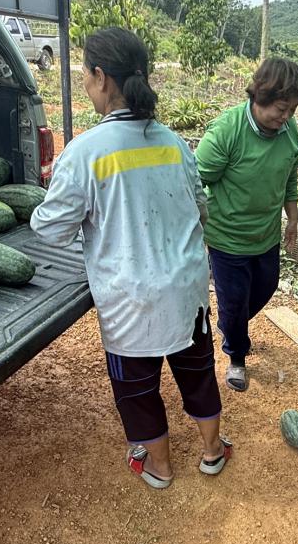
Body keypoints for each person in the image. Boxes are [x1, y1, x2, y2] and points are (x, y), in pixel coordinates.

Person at [30, 27, 228, 489]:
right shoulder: (173, 142)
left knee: (137, 388)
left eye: (84, 73)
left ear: (100, 76)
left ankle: (158, 467)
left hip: (130, 297)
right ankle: (212, 451)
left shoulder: (84, 153)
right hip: (186, 288)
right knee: (196, 371)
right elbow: (201, 206)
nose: (84, 82)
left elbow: (53, 229)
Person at [196, 58, 298, 391]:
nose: (286, 117)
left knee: (265, 288)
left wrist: (293, 219)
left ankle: (230, 325)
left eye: (292, 110)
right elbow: (196, 179)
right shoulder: (226, 131)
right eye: (281, 108)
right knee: (233, 301)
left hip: (266, 236)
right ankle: (236, 357)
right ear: (260, 95)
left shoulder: (289, 131)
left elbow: (290, 176)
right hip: (227, 238)